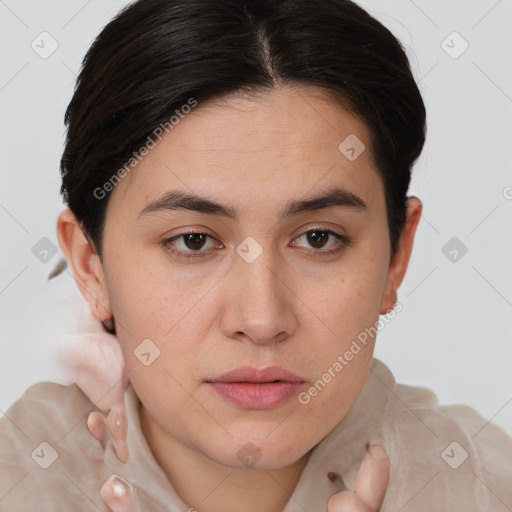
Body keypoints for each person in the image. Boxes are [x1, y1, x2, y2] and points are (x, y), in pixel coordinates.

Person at [0, 0, 511, 511]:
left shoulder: (486, 485)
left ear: (397, 255)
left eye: (317, 238)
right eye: (193, 241)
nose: (262, 319)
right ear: (92, 268)